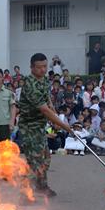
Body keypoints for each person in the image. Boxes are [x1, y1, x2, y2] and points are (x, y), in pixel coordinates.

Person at [18, 53, 72, 199]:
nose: (42, 70)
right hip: (29, 127)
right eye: (39, 67)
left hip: (39, 126)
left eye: (44, 67)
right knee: (33, 161)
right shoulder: (30, 84)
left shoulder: (43, 80)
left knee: (46, 158)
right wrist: (64, 125)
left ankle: (42, 186)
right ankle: (26, 193)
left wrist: (56, 118)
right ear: (31, 68)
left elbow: (47, 100)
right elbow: (43, 109)